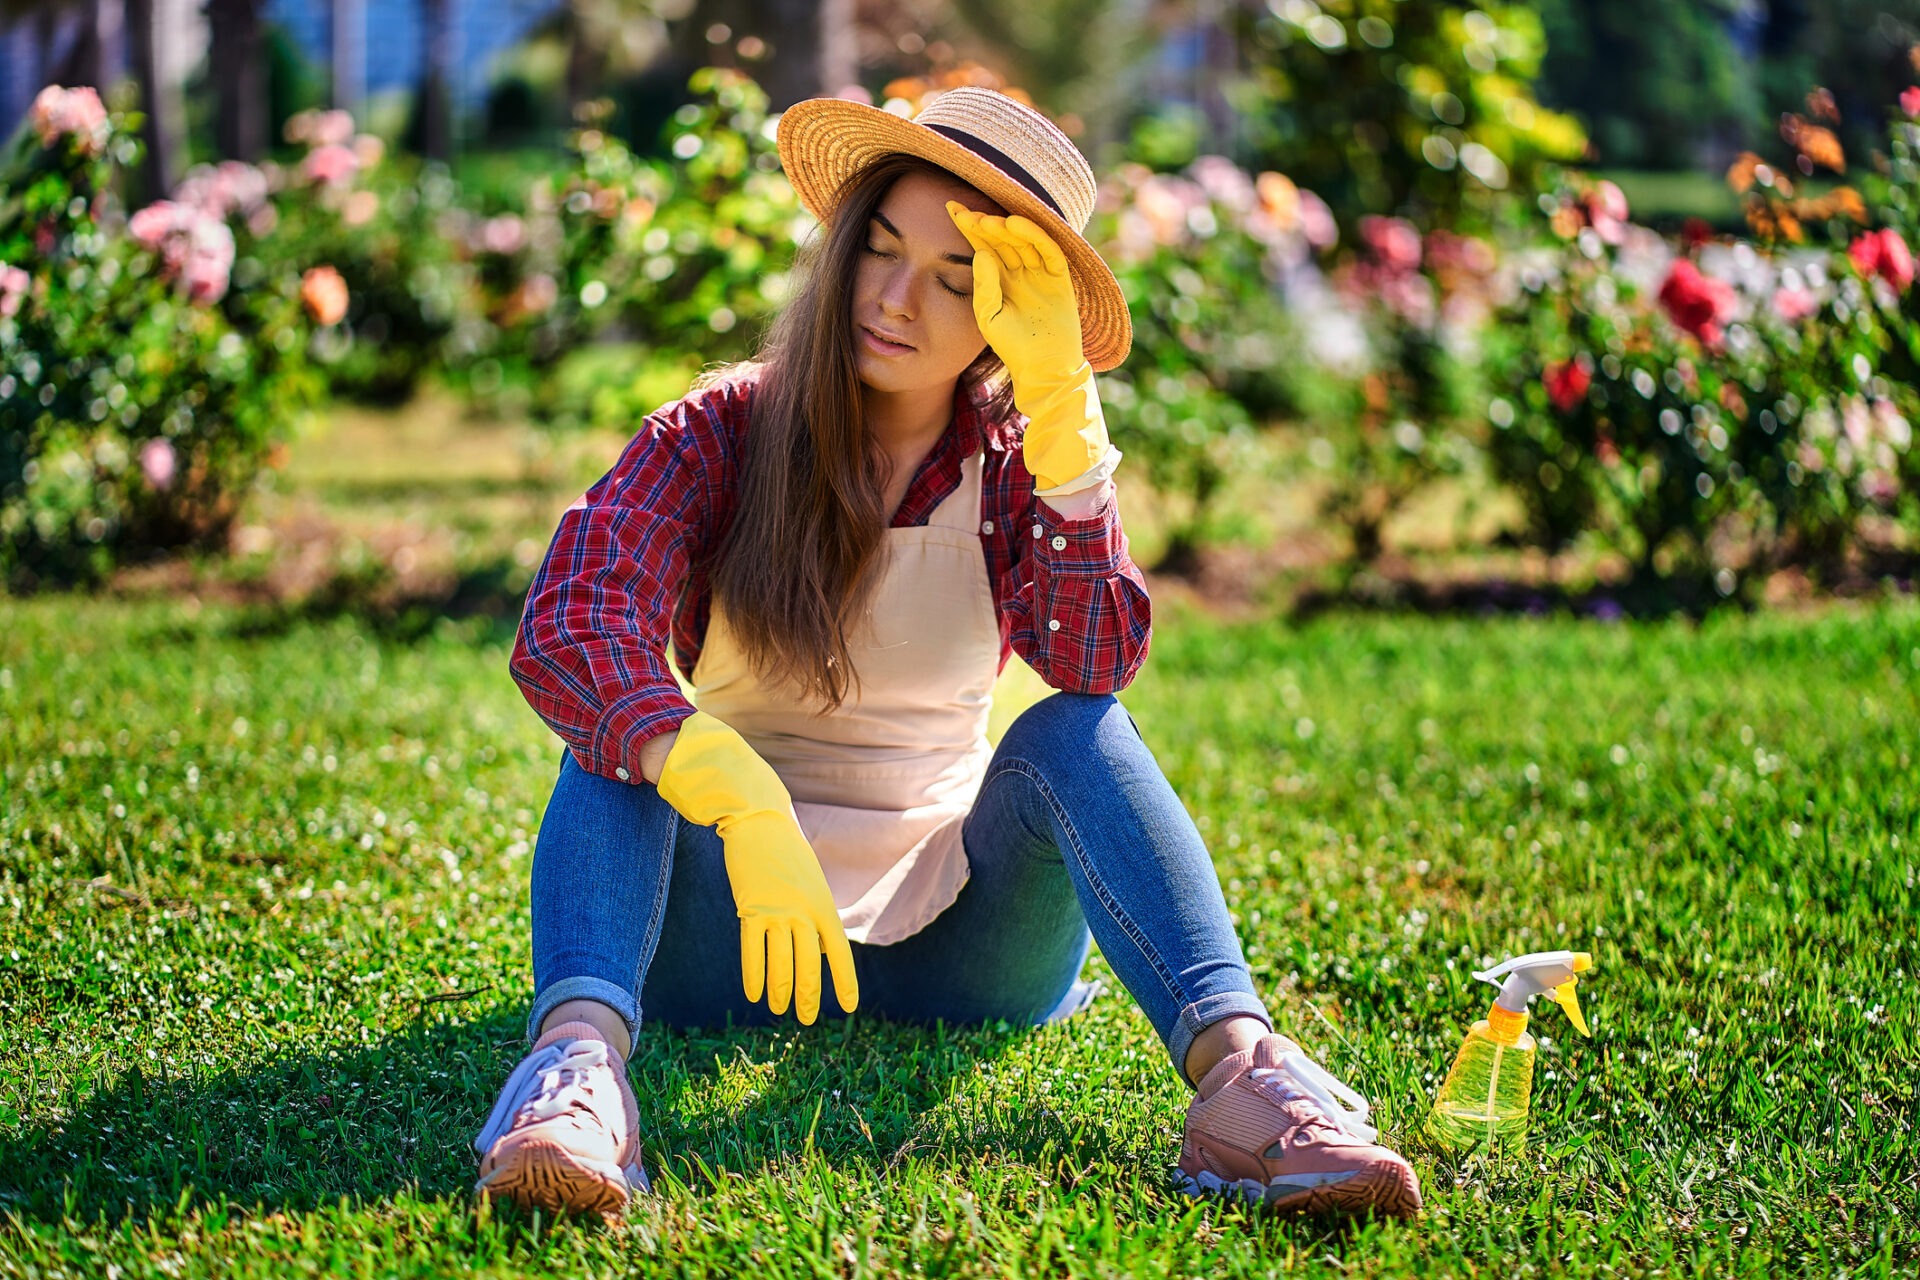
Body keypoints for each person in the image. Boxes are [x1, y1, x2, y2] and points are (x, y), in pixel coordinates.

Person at [470, 86, 1422, 1223]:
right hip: (719, 937)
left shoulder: (1022, 461)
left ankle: (1247, 1083)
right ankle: (577, 1080)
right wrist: (733, 791)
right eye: (878, 249)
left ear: (1010, 310)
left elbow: (1095, 656)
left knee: (1076, 727)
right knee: (618, 742)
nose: (896, 297)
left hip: (964, 952)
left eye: (959, 278)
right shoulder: (719, 430)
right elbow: (573, 621)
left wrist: (1064, 413)